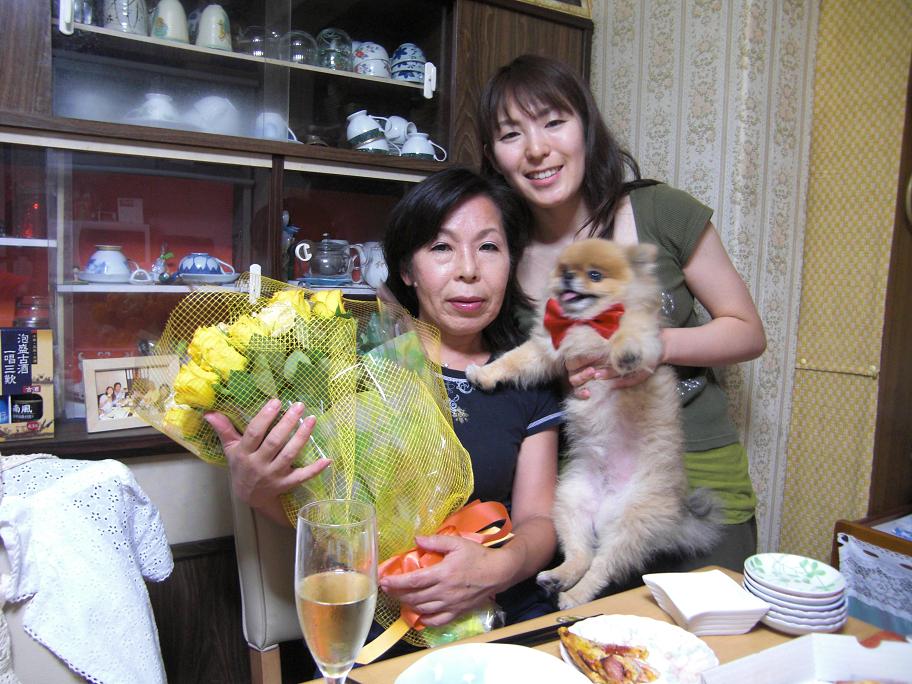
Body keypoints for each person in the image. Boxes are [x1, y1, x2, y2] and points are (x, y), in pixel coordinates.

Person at [206, 167, 562, 629]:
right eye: (441, 247)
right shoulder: (354, 364)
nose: (469, 270)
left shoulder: (528, 375)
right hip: (380, 620)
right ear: (407, 270)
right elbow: (323, 516)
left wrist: (498, 568)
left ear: (512, 261)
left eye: (489, 247)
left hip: (509, 614)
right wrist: (254, 489)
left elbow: (539, 521)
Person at [476, 54, 767, 576]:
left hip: (698, 482)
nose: (536, 148)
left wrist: (654, 347)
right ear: (494, 156)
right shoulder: (502, 257)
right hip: (592, 492)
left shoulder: (661, 211)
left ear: (586, 128)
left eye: (553, 121)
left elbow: (747, 331)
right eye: (511, 134)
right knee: (597, 629)